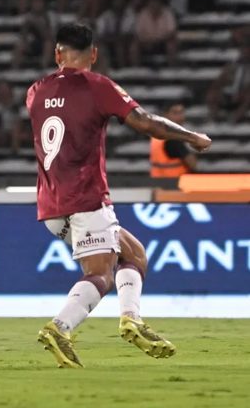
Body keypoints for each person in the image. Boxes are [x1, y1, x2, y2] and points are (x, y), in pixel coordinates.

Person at [26, 23, 211, 368]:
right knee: (101, 274)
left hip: (50, 204)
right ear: (94, 54)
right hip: (85, 198)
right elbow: (144, 122)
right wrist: (191, 137)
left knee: (134, 255)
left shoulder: (35, 91)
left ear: (57, 54)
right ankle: (60, 327)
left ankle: (131, 320)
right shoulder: (98, 87)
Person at [149, 102, 198, 178]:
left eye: (181, 112)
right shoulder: (173, 138)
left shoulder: (158, 135)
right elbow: (193, 164)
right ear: (166, 115)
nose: (180, 117)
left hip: (159, 184)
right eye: (175, 113)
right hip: (174, 184)